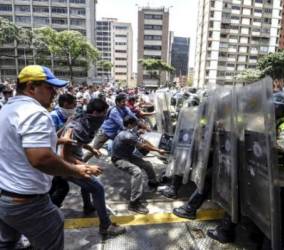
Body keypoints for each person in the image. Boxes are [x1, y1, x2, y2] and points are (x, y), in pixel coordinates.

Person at [0, 65, 101, 249]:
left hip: (5, 195)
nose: (54, 93)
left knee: (8, 244)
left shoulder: (7, 110)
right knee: (53, 229)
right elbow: (41, 158)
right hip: (27, 201)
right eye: (49, 87)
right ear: (31, 87)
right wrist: (75, 170)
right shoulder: (35, 113)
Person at [59, 98, 126, 236]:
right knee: (97, 188)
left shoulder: (85, 122)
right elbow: (64, 156)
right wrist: (86, 166)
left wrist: (91, 148)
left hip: (74, 159)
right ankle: (105, 226)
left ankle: (88, 206)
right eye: (104, 114)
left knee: (87, 184)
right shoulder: (75, 127)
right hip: (65, 165)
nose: (104, 118)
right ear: (95, 113)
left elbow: (79, 142)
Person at [111, 116, 166, 214]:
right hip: (119, 159)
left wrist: (155, 147)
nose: (137, 126)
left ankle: (153, 182)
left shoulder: (132, 132)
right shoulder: (127, 135)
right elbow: (143, 146)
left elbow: (144, 141)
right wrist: (158, 150)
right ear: (129, 125)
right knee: (137, 171)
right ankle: (134, 203)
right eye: (135, 124)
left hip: (128, 155)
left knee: (147, 164)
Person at [83, 92, 149, 162]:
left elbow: (133, 117)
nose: (125, 103)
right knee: (94, 149)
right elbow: (123, 125)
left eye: (125, 101)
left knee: (130, 141)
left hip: (115, 132)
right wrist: (136, 131)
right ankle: (81, 162)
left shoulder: (125, 108)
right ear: (117, 102)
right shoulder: (114, 112)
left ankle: (127, 157)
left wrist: (144, 126)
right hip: (105, 133)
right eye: (123, 102)